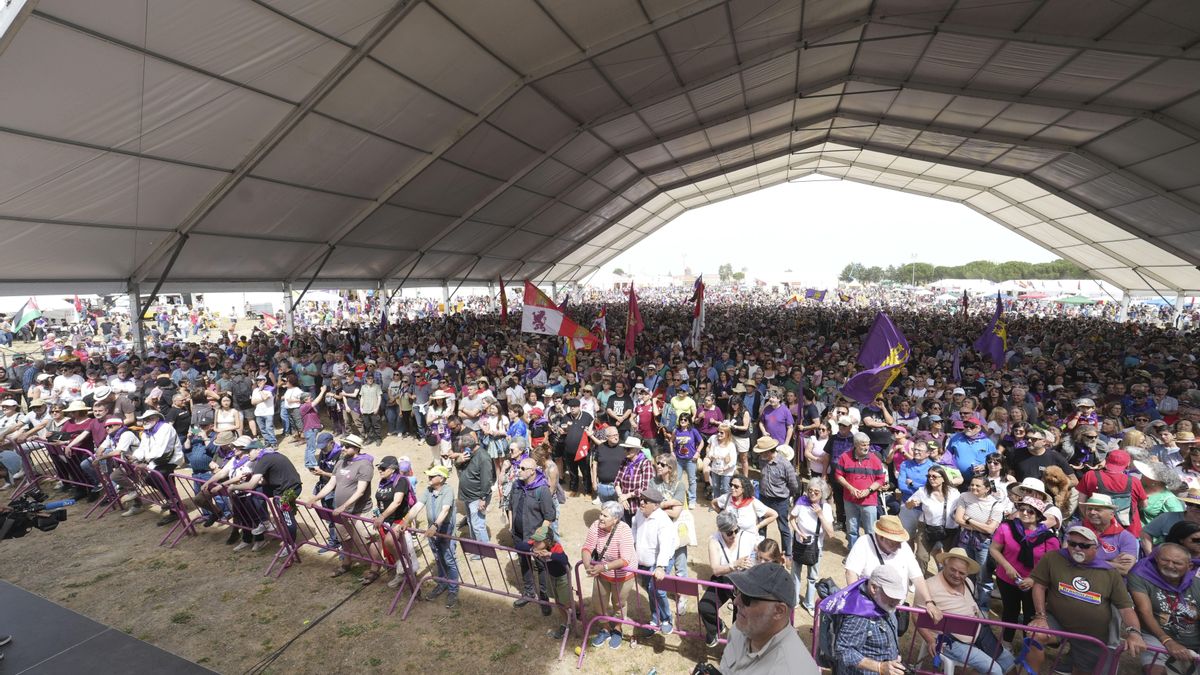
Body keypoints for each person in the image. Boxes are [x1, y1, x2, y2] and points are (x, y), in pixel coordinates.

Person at [1029, 525, 1147, 675]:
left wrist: (1134, 632)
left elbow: (1125, 608)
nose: (1077, 548)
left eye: (1084, 545)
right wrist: (1040, 617)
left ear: (1095, 548)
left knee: (1084, 671)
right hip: (1057, 620)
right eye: (1072, 544)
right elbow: (1039, 585)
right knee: (1035, 635)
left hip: (1092, 634)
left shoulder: (1109, 573)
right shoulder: (1053, 558)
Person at [919, 547, 1016, 675]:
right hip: (950, 641)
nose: (957, 575)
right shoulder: (928, 586)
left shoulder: (968, 583)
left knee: (1010, 662)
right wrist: (930, 640)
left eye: (962, 573)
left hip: (979, 633)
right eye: (953, 570)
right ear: (944, 564)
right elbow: (916, 617)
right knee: (995, 670)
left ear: (967, 573)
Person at [988, 495, 1059, 645]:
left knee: (1030, 615)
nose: (1025, 513)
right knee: (1009, 611)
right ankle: (1006, 643)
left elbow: (1052, 565)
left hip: (1036, 585)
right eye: (1022, 509)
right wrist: (1007, 566)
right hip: (1007, 579)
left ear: (1039, 515)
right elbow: (994, 549)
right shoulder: (1006, 527)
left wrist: (1033, 579)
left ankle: (1029, 646)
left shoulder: (1048, 538)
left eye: (1030, 511)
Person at [844, 515, 940, 623]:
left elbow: (917, 577)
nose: (899, 546)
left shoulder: (903, 547)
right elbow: (851, 573)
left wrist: (929, 602)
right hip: (869, 609)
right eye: (895, 542)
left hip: (895, 608)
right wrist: (858, 602)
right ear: (880, 537)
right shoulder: (864, 543)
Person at [718, 562, 807, 674]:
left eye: (747, 597)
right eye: (737, 591)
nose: (736, 601)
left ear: (779, 611)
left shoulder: (792, 669)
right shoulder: (738, 631)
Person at [1129, 543, 1200, 675]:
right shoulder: (1141, 574)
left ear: (1189, 566)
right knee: (1154, 671)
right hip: (1155, 634)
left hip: (1194, 637)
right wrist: (1167, 641)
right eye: (1164, 560)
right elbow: (1145, 611)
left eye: (1177, 563)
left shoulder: (1197, 581)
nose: (1170, 565)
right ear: (1156, 558)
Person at [699, 510, 763, 646]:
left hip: (744, 583)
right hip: (723, 580)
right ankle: (717, 627)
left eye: (736, 530)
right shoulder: (714, 541)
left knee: (739, 624)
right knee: (705, 607)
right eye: (729, 533)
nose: (734, 535)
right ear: (720, 531)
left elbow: (762, 549)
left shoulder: (747, 536)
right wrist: (734, 564)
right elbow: (716, 570)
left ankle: (736, 650)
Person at [829, 565, 907, 675]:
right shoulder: (859, 613)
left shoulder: (884, 604)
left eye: (898, 595)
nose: (897, 601)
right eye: (891, 594)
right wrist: (879, 667)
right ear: (873, 588)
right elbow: (844, 651)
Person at [581, 500, 636, 650]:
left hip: (623, 574)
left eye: (605, 515)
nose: (601, 518)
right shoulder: (595, 526)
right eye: (600, 513)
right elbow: (587, 548)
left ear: (616, 519)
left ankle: (617, 629)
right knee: (598, 601)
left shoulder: (624, 530)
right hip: (602, 572)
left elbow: (625, 560)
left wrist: (603, 567)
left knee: (619, 603)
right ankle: (605, 628)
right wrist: (588, 567)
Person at [405, 465, 459, 608]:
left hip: (445, 530)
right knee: (438, 558)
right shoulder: (428, 490)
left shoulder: (448, 490)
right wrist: (406, 520)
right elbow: (417, 506)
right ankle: (442, 583)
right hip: (432, 531)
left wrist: (435, 526)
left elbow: (445, 510)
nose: (428, 478)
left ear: (441, 478)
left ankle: (453, 589)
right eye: (429, 476)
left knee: (449, 559)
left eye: (432, 476)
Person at [510, 455, 557, 614]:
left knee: (541, 565)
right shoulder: (516, 486)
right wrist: (511, 527)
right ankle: (529, 592)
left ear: (532, 471)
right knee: (524, 562)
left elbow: (549, 516)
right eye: (519, 467)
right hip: (518, 534)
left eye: (522, 468)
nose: (519, 471)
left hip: (535, 538)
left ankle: (544, 597)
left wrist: (539, 538)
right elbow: (511, 507)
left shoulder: (542, 489)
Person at [632, 485, 679, 637]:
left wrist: (660, 566)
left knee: (657, 590)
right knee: (649, 589)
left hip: (660, 561)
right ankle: (655, 619)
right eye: (641, 499)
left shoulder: (663, 521)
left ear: (656, 505)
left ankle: (666, 619)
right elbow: (634, 531)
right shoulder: (639, 514)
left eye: (646, 501)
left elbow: (666, 546)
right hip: (644, 561)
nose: (642, 503)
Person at [953, 475, 1003, 611]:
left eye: (977, 486)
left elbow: (991, 529)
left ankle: (982, 608)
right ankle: (966, 603)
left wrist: (969, 519)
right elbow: (958, 519)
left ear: (987, 489)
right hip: (965, 539)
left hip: (984, 543)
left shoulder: (996, 504)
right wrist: (981, 525)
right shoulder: (964, 496)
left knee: (983, 576)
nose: (973, 487)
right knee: (966, 573)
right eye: (972, 484)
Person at [516, 524, 574, 639]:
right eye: (534, 540)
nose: (535, 542)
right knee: (558, 601)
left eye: (538, 541)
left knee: (565, 603)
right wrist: (532, 549)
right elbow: (519, 545)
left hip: (563, 576)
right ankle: (567, 620)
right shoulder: (535, 545)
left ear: (547, 541)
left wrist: (550, 554)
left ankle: (569, 623)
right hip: (550, 575)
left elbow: (564, 559)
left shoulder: (555, 547)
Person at [1077, 448, 1148, 537]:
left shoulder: (1090, 475)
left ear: (1106, 461)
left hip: (1097, 530)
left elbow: (1081, 502)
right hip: (1129, 531)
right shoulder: (1134, 481)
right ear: (1128, 465)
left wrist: (1090, 519)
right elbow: (1144, 504)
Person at [789, 476, 835, 612]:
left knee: (812, 576)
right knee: (795, 573)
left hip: (815, 547)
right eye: (810, 490)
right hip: (799, 543)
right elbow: (791, 519)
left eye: (816, 492)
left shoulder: (825, 507)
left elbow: (831, 533)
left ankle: (809, 603)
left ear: (822, 493)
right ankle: (794, 600)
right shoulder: (801, 502)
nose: (812, 494)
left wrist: (820, 514)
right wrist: (798, 532)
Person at [835, 432, 887, 549]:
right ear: (855, 445)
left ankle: (871, 553)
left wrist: (868, 490)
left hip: (869, 500)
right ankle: (853, 552)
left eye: (868, 444)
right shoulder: (845, 457)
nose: (866, 447)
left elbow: (880, 479)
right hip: (850, 499)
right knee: (852, 529)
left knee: (870, 530)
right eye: (863, 445)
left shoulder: (875, 459)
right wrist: (850, 488)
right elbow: (838, 475)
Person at [372, 455, 415, 589]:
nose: (380, 470)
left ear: (392, 469)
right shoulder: (383, 481)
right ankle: (401, 567)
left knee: (390, 542)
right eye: (379, 467)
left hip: (399, 519)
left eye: (383, 468)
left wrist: (381, 516)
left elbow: (397, 502)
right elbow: (381, 498)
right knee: (388, 545)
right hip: (385, 519)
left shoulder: (401, 481)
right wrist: (378, 512)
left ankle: (404, 568)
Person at [753, 435, 799, 554]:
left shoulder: (785, 464)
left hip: (780, 501)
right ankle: (762, 552)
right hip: (764, 498)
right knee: (762, 526)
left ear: (768, 451)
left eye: (761, 452)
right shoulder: (762, 460)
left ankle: (787, 555)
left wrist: (787, 495)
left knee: (783, 528)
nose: (759, 455)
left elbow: (793, 484)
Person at [1072, 494, 1139, 575]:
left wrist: (1085, 561)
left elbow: (1124, 569)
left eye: (1098, 509)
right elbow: (1068, 558)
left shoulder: (1126, 537)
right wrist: (1109, 562)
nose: (1092, 512)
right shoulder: (1076, 528)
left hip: (1109, 583)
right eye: (1089, 509)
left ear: (1111, 514)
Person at [711, 473, 776, 534]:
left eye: (736, 486)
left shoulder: (753, 502)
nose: (732, 488)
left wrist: (758, 526)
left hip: (747, 539)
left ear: (744, 489)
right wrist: (723, 516)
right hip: (729, 538)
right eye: (731, 485)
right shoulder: (726, 498)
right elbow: (713, 503)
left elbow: (774, 515)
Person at [615, 436, 653, 523]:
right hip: (624, 504)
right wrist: (621, 496)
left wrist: (627, 495)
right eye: (625, 448)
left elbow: (645, 488)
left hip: (639, 507)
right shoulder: (624, 462)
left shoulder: (645, 463)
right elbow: (617, 481)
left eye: (628, 449)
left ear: (636, 450)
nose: (625, 451)